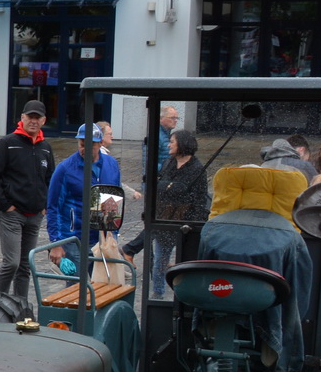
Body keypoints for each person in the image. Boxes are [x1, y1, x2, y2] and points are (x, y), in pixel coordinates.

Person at [122, 129, 208, 297]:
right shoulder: (169, 162)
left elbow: (195, 198)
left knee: (185, 264)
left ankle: (184, 297)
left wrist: (171, 187)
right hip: (165, 219)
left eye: (172, 141)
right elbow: (159, 186)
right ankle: (157, 294)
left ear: (182, 144)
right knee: (160, 262)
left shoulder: (197, 168)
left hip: (187, 223)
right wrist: (172, 187)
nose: (169, 144)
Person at [0, 100, 56, 301]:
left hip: (34, 216)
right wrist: (6, 205)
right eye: (29, 117)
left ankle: (20, 307)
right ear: (22, 118)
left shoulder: (46, 147)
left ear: (43, 120)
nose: (33, 121)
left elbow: (51, 179)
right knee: (11, 263)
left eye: (37, 117)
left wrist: (44, 206)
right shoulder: (7, 143)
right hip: (11, 215)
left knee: (25, 266)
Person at [46, 124, 124, 270]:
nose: (85, 149)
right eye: (82, 144)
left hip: (102, 237)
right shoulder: (65, 169)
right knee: (76, 288)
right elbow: (53, 207)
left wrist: (113, 232)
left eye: (91, 145)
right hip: (74, 238)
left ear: (100, 143)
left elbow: (115, 198)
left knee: (101, 287)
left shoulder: (111, 164)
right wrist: (56, 243)